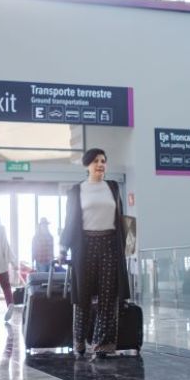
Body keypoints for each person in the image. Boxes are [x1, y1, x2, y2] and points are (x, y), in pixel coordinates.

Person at [62, 148, 130, 360]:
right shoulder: (77, 190)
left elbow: (119, 218)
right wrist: (63, 247)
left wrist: (127, 244)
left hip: (110, 244)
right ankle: (79, 341)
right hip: (85, 245)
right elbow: (70, 220)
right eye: (95, 161)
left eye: (103, 161)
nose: (100, 165)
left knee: (108, 297)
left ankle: (102, 345)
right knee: (82, 296)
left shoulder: (113, 187)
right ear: (87, 165)